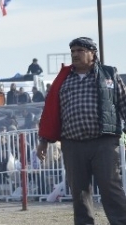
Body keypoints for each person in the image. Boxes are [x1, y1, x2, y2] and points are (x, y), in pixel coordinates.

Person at [37, 37, 126, 225]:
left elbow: (123, 103)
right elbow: (51, 112)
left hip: (104, 142)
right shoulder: (63, 79)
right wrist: (43, 140)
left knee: (111, 188)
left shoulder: (109, 75)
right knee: (79, 192)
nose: (75, 55)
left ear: (92, 52)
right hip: (72, 143)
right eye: (73, 51)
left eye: (80, 50)